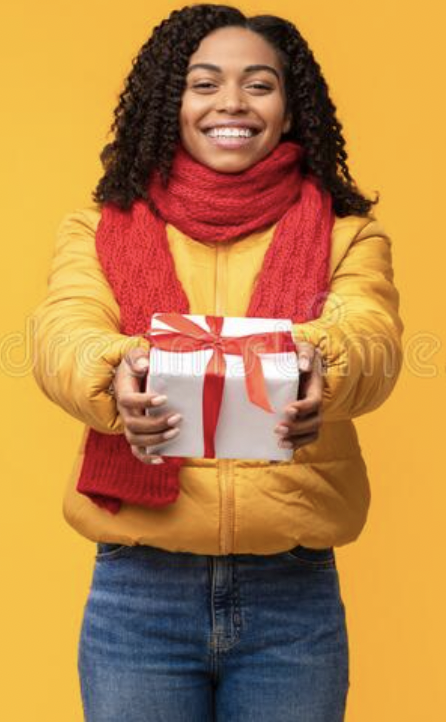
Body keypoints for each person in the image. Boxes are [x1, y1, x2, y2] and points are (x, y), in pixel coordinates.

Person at [32, 4, 403, 721]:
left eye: (258, 84)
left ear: (291, 110)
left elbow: (372, 333)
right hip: (138, 594)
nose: (231, 102)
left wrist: (326, 362)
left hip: (293, 598)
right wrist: (113, 371)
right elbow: (62, 330)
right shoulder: (98, 229)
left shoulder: (348, 236)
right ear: (171, 104)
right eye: (204, 84)